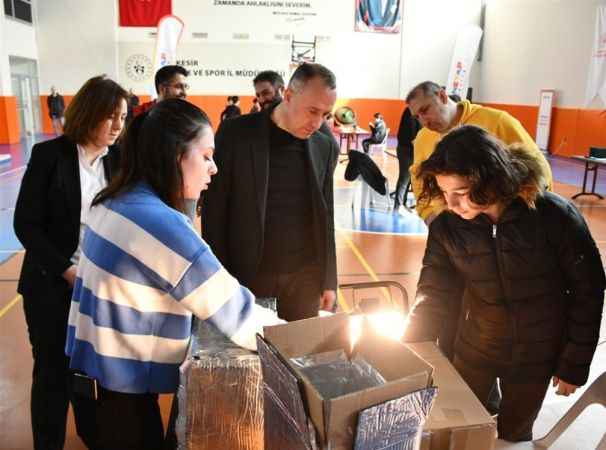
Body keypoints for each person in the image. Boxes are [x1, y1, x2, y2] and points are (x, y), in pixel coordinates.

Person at [66, 99, 282, 450]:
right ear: (176, 155)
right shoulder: (159, 224)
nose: (214, 168)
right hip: (122, 406)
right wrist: (305, 341)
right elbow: (236, 314)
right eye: (206, 155)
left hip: (92, 388)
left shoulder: (114, 200)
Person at [403, 125, 605, 442]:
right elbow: (433, 293)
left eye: (460, 193)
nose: (451, 205)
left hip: (536, 356)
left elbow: (588, 291)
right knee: (463, 426)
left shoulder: (553, 215)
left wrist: (573, 366)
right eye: (444, 193)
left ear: (489, 178)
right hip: (474, 347)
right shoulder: (448, 228)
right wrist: (411, 350)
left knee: (513, 435)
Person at [14, 75, 128, 450]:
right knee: (51, 372)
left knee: (92, 370)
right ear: (88, 113)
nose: (116, 126)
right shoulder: (51, 156)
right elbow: (25, 224)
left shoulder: (121, 162)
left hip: (98, 288)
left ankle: (92, 436)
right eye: (110, 116)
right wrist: (67, 269)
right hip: (51, 284)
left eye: (123, 118)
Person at [202, 63, 339, 321]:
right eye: (312, 111)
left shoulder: (324, 145)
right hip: (248, 276)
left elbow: (326, 215)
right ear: (288, 96)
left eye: (325, 114)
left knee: (298, 357)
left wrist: (329, 279)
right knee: (251, 358)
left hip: (305, 279)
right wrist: (217, 279)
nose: (317, 122)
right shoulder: (236, 134)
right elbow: (215, 212)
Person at [406, 81, 553, 224]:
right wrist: (428, 215)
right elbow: (419, 180)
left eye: (425, 110)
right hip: (457, 232)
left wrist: (531, 213)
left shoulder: (497, 121)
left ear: (443, 96)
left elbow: (538, 169)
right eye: (417, 117)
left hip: (509, 224)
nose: (423, 121)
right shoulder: (422, 139)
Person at [392, 105, 420, 208]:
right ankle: (398, 207)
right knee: (404, 178)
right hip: (407, 150)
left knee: (408, 179)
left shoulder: (415, 111)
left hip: (408, 149)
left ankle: (402, 205)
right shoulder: (411, 111)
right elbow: (413, 137)